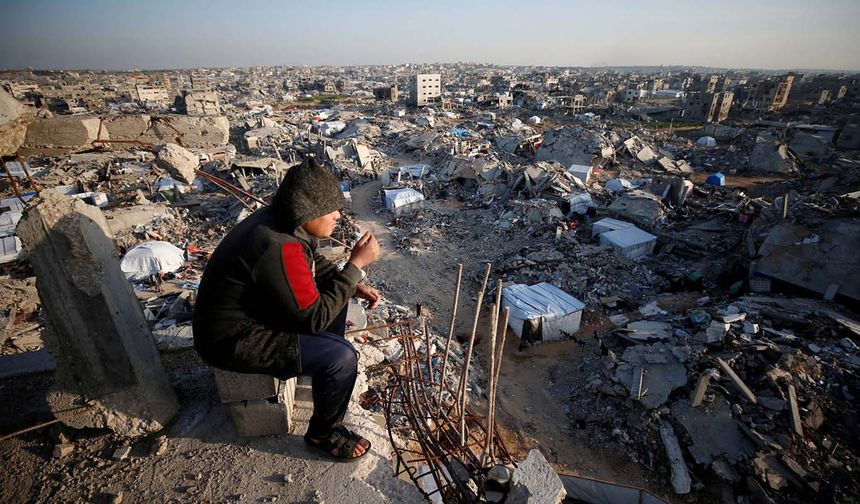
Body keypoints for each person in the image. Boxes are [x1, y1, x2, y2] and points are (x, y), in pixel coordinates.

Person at [193, 158, 381, 461]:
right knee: (342, 357)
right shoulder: (279, 245)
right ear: (306, 211)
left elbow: (310, 263)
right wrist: (355, 267)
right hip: (231, 340)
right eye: (329, 209)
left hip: (247, 316)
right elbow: (314, 319)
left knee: (338, 296)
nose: (336, 215)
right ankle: (323, 433)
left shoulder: (281, 222)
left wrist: (346, 281)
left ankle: (320, 366)